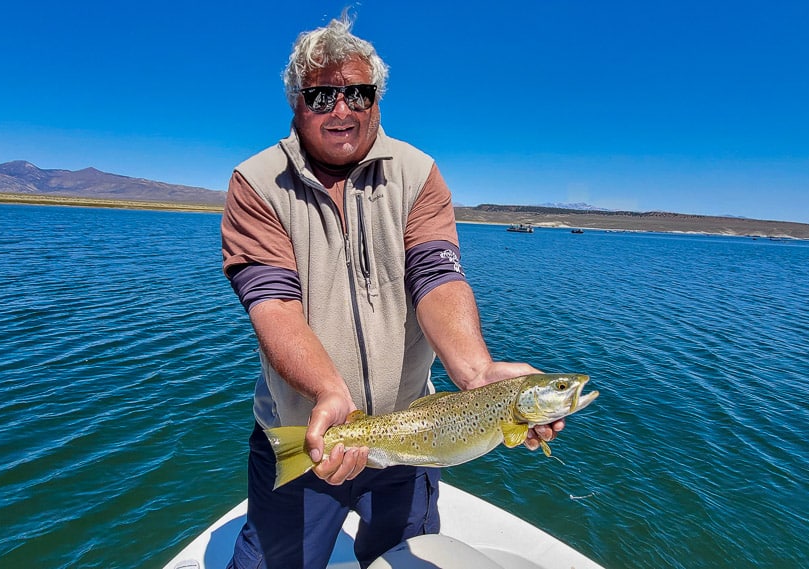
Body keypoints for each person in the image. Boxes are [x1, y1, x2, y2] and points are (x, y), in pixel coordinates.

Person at [220, 14, 565, 569]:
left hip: (417, 428)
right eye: (322, 94)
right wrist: (330, 395)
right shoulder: (257, 184)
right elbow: (274, 305)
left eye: (358, 93)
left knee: (406, 557)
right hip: (311, 431)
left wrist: (476, 373)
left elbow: (436, 278)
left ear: (376, 100)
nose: (342, 109)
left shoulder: (419, 174)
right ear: (296, 103)